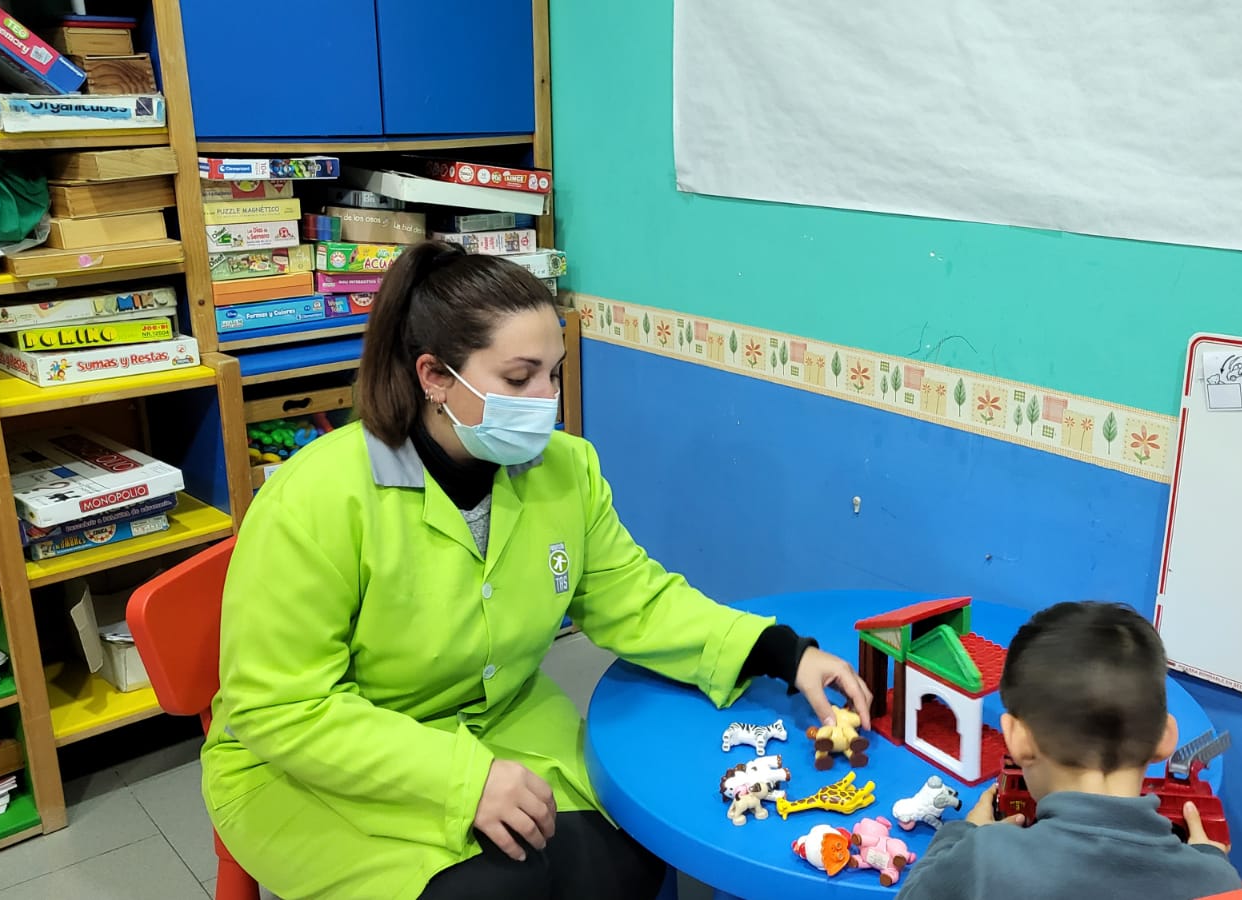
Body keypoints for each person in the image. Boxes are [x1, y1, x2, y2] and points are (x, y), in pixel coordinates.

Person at [201, 241, 874, 900]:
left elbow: (635, 599)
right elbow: (283, 706)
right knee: (489, 889)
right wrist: (462, 779)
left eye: (554, 373)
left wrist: (782, 652)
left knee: (621, 865)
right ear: (435, 377)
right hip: (313, 765)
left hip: (501, 724)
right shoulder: (316, 497)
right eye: (519, 379)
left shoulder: (566, 471)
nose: (546, 399)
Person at [896, 601, 1242, 900]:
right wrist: (1208, 862)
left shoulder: (982, 860)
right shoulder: (1216, 882)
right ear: (1165, 739)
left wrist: (961, 834)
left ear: (1017, 740)